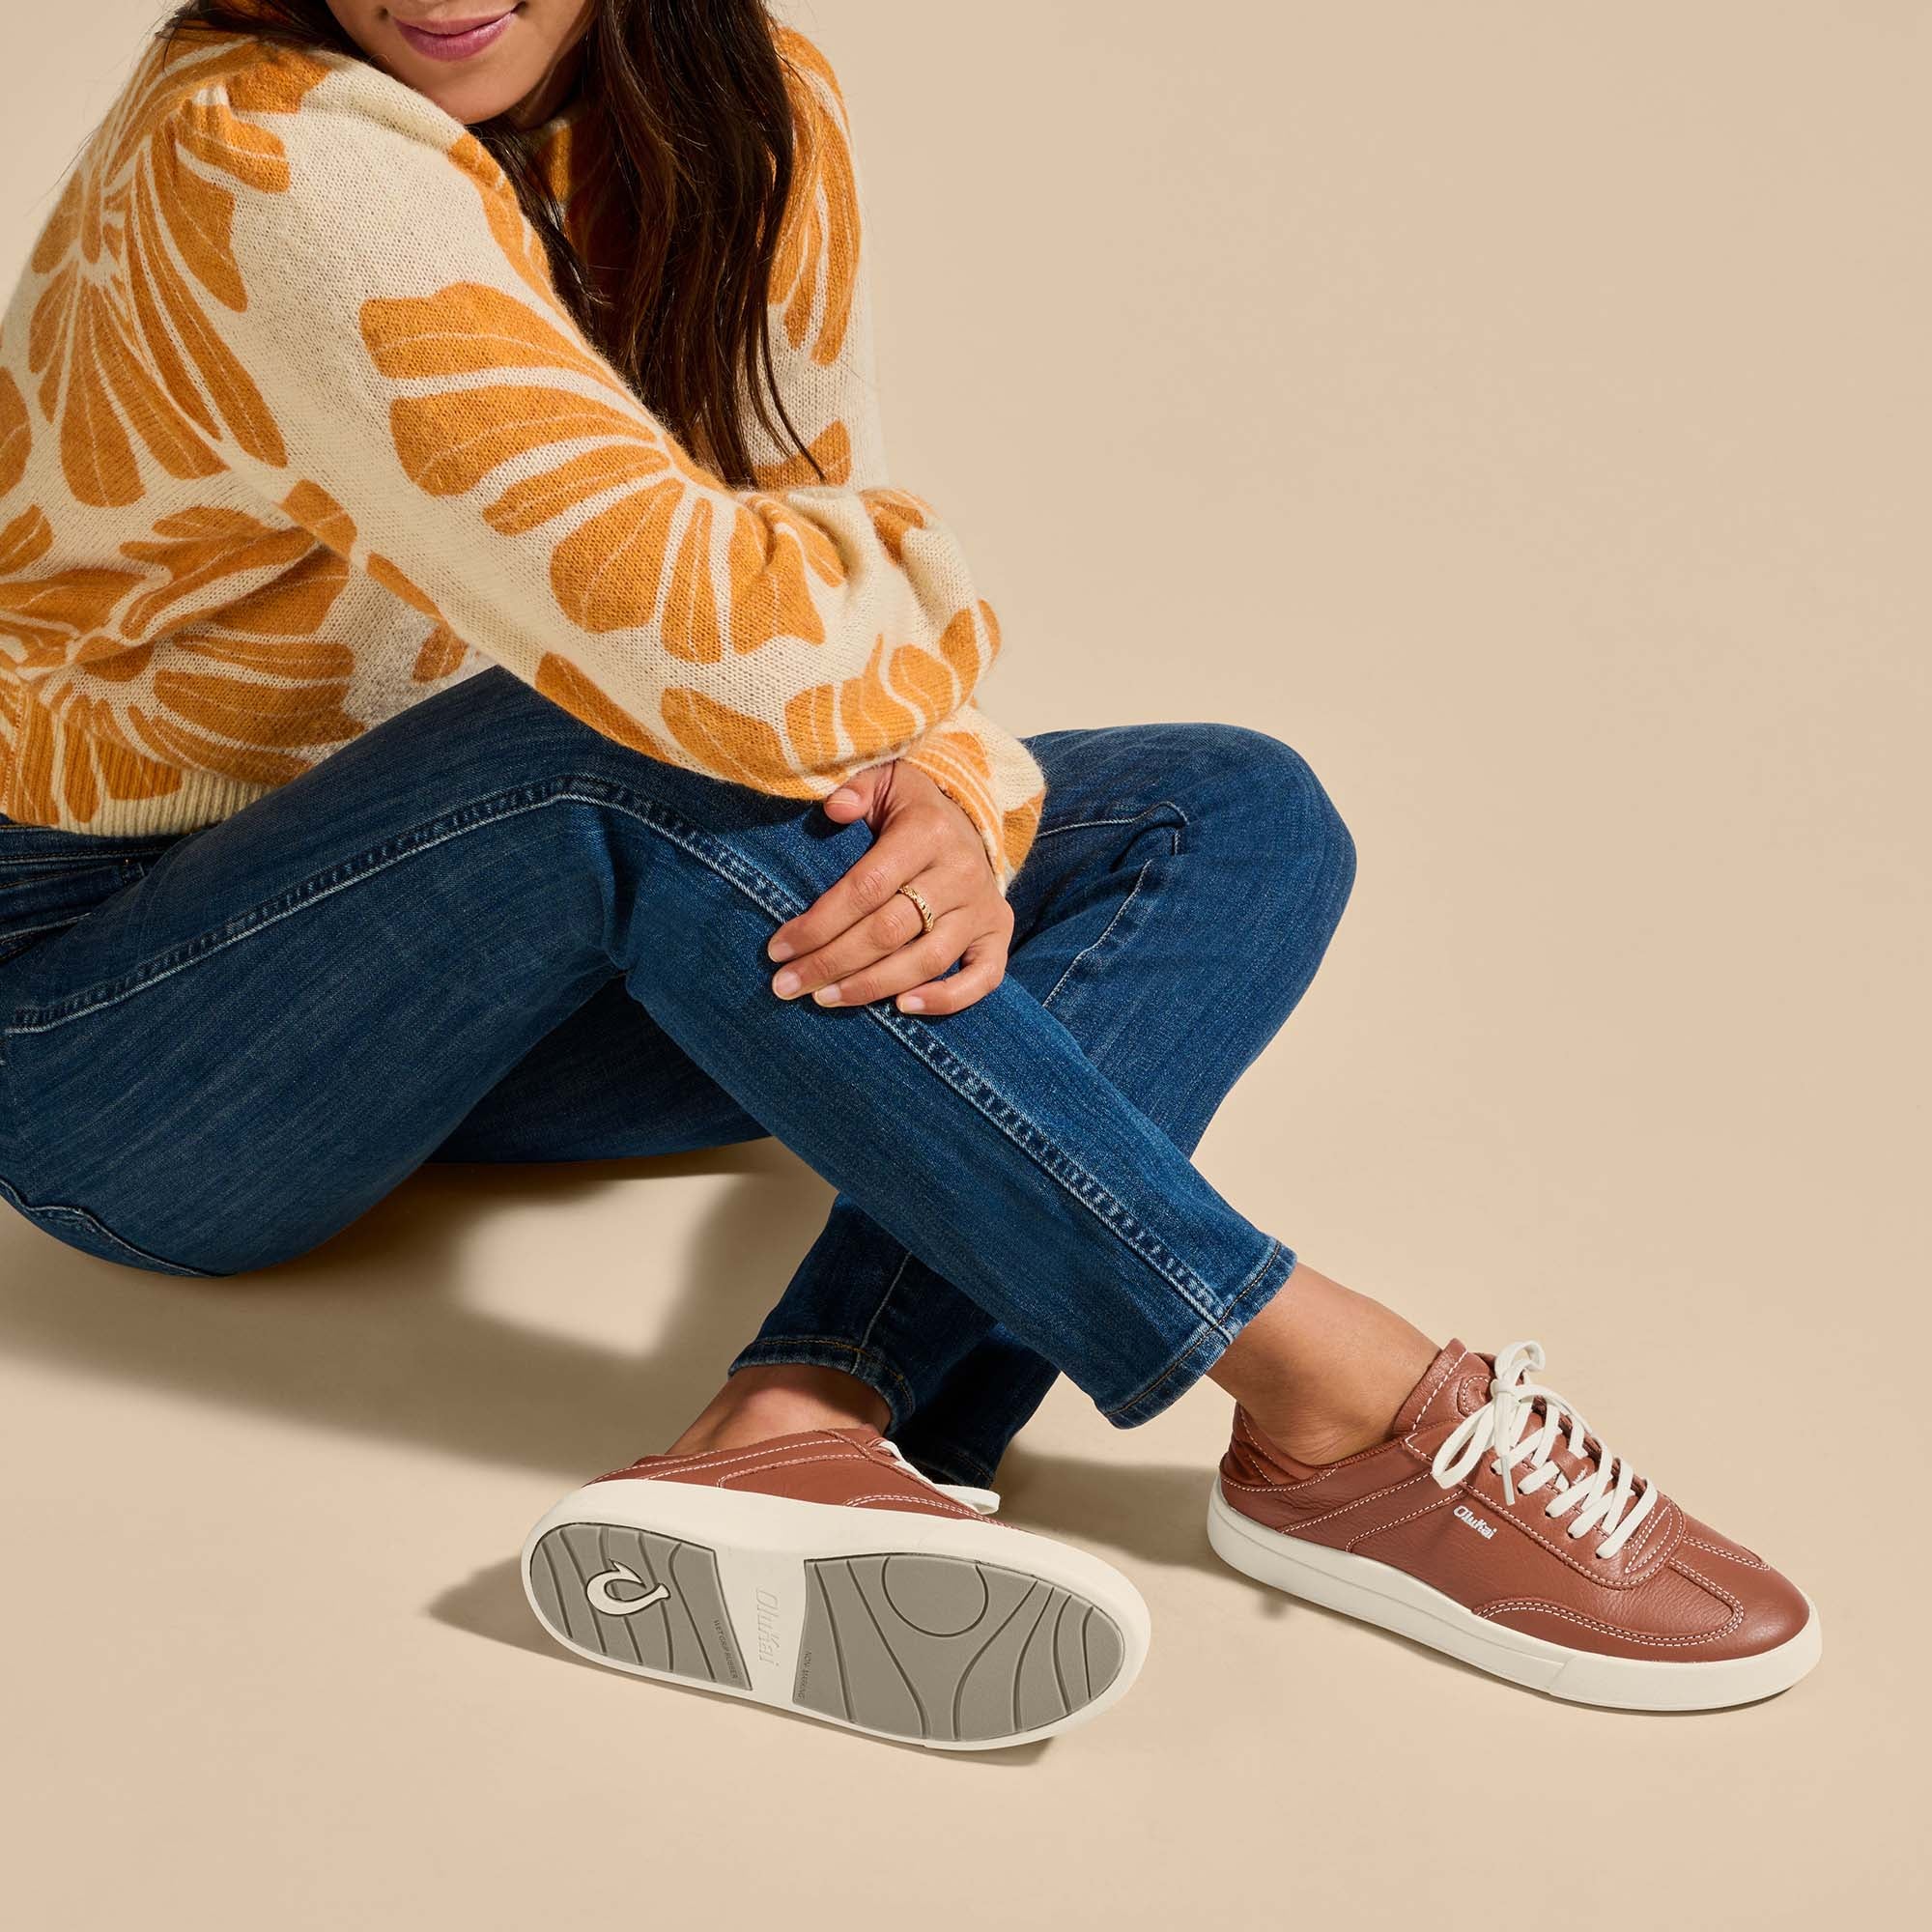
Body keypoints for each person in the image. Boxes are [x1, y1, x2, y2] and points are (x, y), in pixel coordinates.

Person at [0, 0, 1819, 1748]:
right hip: (124, 1037)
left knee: (1231, 815)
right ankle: (1327, 1387)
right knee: (612, 743)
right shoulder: (269, 150)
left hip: (494, 944)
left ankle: (807, 1417)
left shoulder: (737, 106)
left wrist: (948, 780)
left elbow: (790, 559)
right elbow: (731, 653)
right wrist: (876, 712)